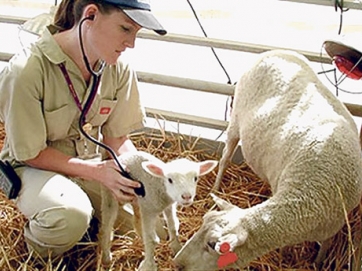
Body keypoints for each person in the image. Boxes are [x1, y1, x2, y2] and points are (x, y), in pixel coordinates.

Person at [0, 0, 166, 259]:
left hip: (90, 168)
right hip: (34, 168)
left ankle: (84, 226)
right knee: (69, 215)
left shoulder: (118, 68)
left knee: (156, 226)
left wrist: (147, 174)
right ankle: (36, 254)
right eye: (125, 29)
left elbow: (116, 140)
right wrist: (98, 172)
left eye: (136, 33)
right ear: (91, 15)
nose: (131, 43)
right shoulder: (27, 70)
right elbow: (30, 153)